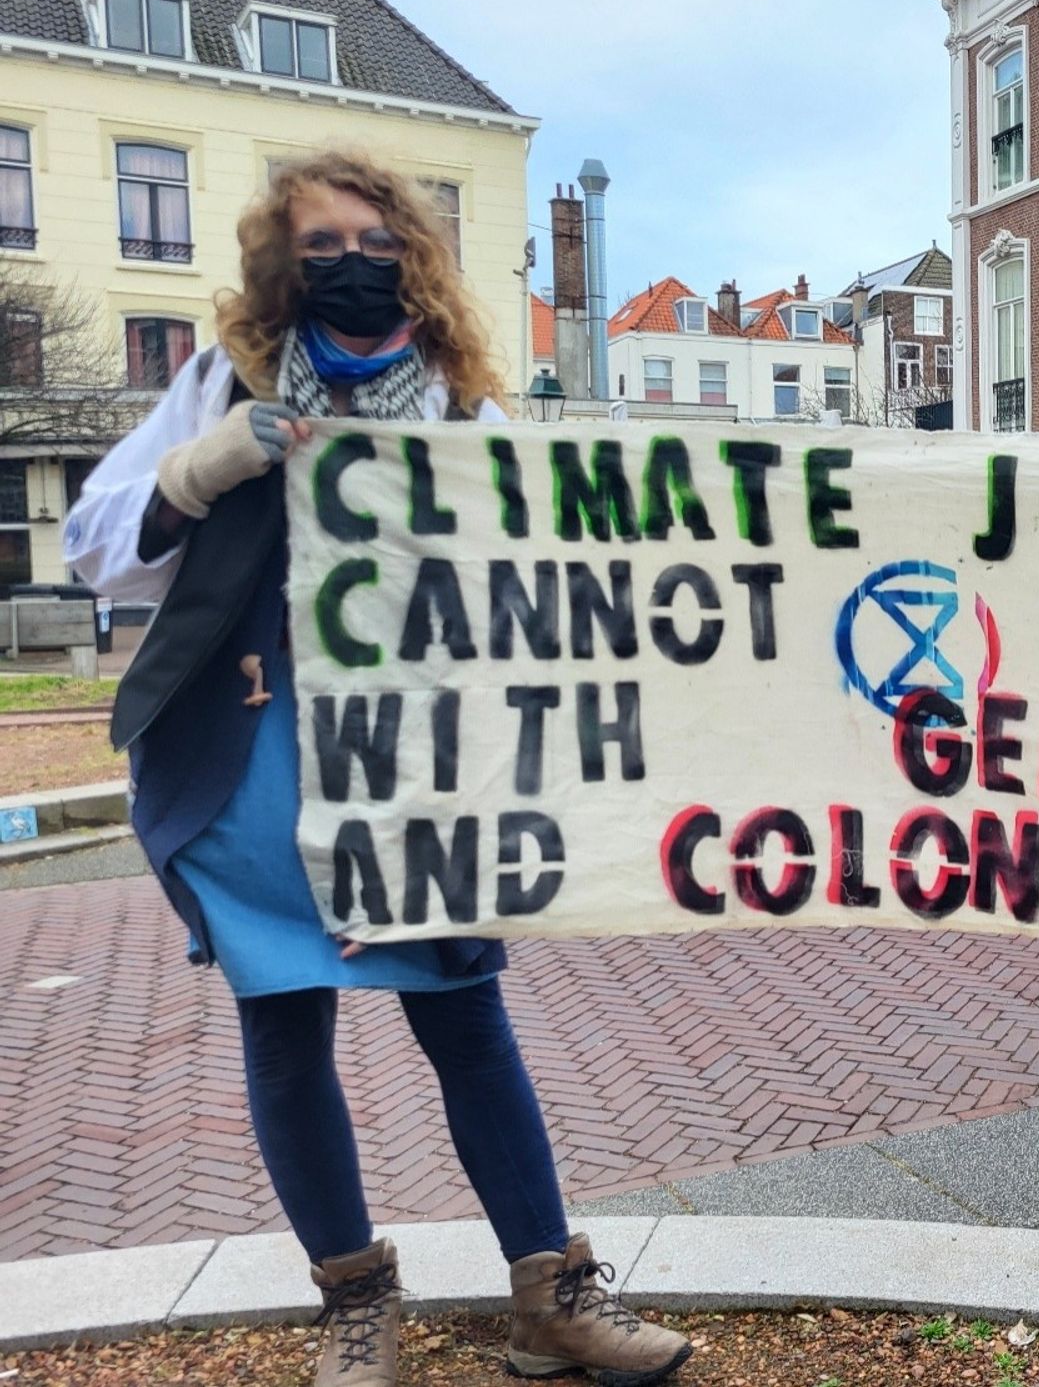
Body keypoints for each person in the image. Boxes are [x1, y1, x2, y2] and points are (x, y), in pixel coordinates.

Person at [65, 150, 692, 1387]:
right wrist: (199, 472)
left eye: (373, 241)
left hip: (415, 774)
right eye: (320, 248)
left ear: (412, 255)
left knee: (466, 1013)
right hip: (254, 763)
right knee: (285, 1030)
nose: (351, 264)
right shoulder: (218, 382)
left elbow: (548, 575)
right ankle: (355, 1305)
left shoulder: (467, 412)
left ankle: (552, 1299)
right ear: (280, 268)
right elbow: (101, 547)